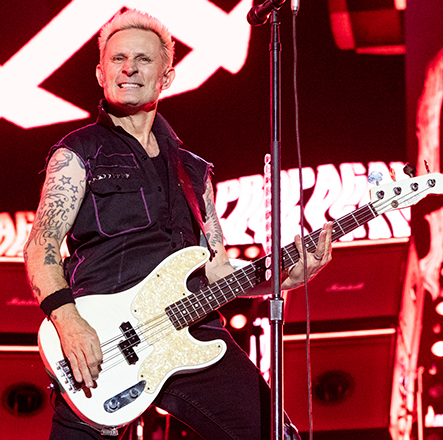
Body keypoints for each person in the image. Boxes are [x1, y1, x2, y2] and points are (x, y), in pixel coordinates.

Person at [24, 9, 333, 440]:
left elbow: (217, 271)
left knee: (275, 435)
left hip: (192, 330)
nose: (129, 68)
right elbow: (41, 247)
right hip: (103, 340)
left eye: (143, 59)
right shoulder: (77, 153)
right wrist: (69, 322)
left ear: (166, 77)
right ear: (100, 73)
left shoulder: (193, 170)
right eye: (118, 59)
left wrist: (282, 280)